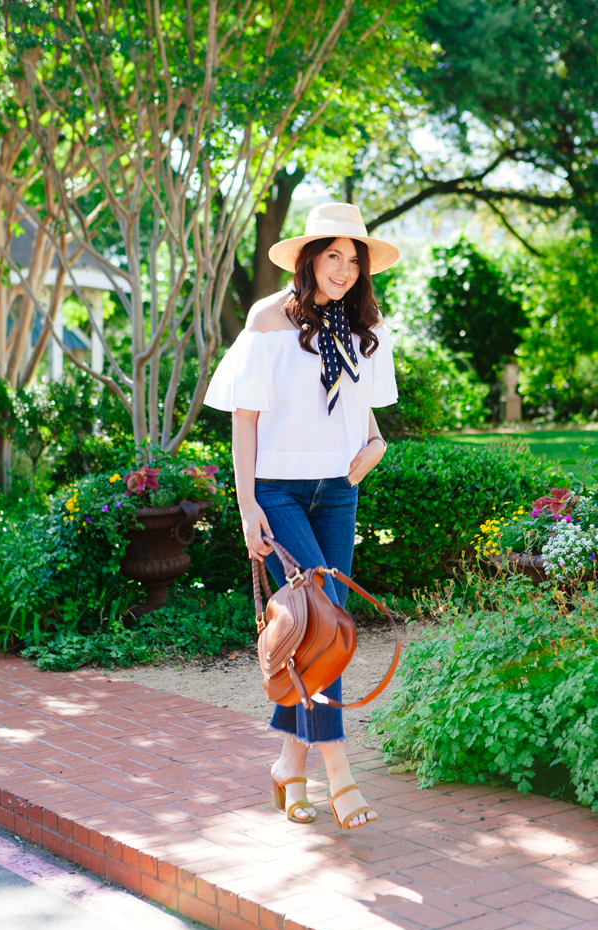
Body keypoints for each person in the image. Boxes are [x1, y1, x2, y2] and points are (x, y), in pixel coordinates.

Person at [205, 202, 400, 830]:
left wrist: (374, 445)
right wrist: (246, 508)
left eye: (353, 259)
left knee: (327, 629)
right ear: (309, 258)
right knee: (322, 629)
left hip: (338, 491)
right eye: (332, 255)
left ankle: (289, 766)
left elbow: (361, 409)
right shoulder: (269, 320)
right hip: (280, 492)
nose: (343, 270)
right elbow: (245, 417)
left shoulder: (365, 326)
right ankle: (340, 773)